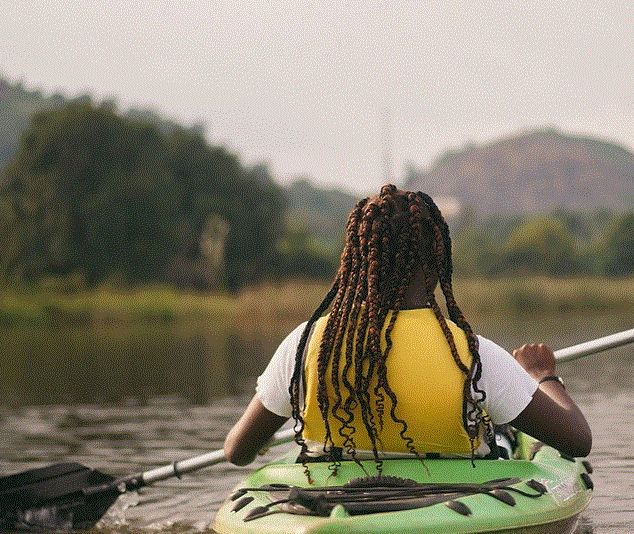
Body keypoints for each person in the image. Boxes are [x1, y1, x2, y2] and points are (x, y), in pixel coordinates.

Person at [224, 184, 591, 467]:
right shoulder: (472, 356)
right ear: (437, 261)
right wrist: (542, 375)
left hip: (330, 499)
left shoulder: (304, 344)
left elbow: (237, 451)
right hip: (451, 504)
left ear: (356, 262)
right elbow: (578, 441)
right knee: (502, 433)